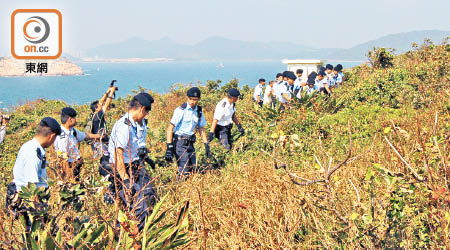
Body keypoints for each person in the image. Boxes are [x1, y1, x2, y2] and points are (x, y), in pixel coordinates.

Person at [100, 92, 157, 230]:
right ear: (142, 109)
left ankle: (144, 229)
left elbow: (135, 146)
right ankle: (130, 234)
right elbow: (118, 154)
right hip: (123, 168)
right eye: (146, 113)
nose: (145, 116)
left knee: (150, 195)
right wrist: (125, 179)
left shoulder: (137, 124)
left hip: (136, 165)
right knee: (136, 203)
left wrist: (146, 158)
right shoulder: (123, 126)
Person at [5, 117, 61, 231]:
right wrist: (38, 210)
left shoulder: (31, 146)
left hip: (27, 195)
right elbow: (30, 187)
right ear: (52, 136)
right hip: (28, 199)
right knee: (36, 234)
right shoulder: (33, 153)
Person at [165, 87, 210, 179]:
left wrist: (206, 143)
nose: (192, 102)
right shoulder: (181, 110)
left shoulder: (199, 111)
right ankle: (178, 189)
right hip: (179, 143)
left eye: (195, 100)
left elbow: (201, 127)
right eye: (190, 99)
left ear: (199, 99)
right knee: (184, 168)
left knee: (193, 168)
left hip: (190, 143)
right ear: (187, 98)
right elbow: (170, 128)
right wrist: (169, 147)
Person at [54, 107, 100, 181]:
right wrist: (70, 177)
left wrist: (98, 136)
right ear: (70, 119)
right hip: (69, 168)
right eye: (75, 118)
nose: (76, 120)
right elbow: (63, 159)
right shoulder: (62, 136)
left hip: (75, 166)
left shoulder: (72, 130)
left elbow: (84, 135)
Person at [87, 86, 117, 158]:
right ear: (96, 108)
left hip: (95, 143)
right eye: (100, 105)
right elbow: (106, 104)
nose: (102, 104)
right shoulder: (98, 115)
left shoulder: (93, 115)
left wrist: (108, 91)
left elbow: (100, 102)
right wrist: (112, 92)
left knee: (98, 159)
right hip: (101, 143)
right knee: (104, 160)